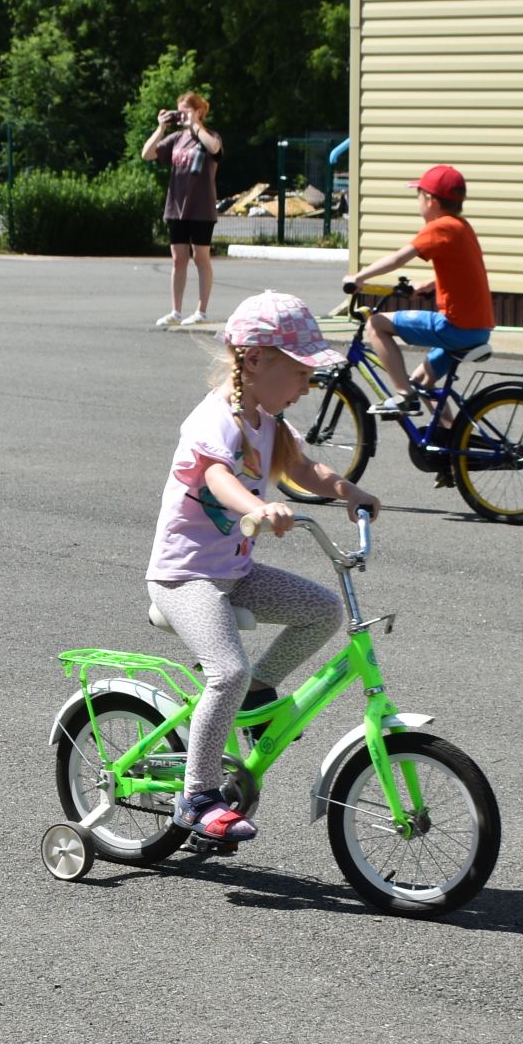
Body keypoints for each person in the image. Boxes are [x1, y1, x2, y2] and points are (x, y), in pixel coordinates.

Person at [146, 291, 382, 844]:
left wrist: (348, 490)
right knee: (223, 671)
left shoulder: (269, 422)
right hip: (186, 575)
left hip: (235, 572)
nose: (307, 385)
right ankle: (197, 794)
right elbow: (216, 479)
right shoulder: (215, 421)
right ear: (254, 361)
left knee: (321, 611)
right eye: (300, 372)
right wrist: (258, 507)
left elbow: (304, 468)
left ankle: (259, 689)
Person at [343, 165, 494, 436]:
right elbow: (465, 271)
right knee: (422, 381)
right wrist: (430, 285)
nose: (418, 201)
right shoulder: (461, 227)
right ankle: (455, 446)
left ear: (430, 200)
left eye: (419, 194)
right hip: (477, 329)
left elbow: (399, 258)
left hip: (455, 327)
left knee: (376, 324)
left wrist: (360, 277)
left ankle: (403, 395)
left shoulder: (440, 226)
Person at [141, 91, 223, 327]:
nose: (182, 116)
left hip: (201, 208)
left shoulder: (209, 135)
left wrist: (196, 126)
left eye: (186, 111)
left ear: (199, 111)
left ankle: (201, 311)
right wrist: (161, 128)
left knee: (200, 257)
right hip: (176, 207)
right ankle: (176, 311)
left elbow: (215, 149)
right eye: (180, 111)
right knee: (179, 259)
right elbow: (147, 154)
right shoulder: (176, 139)